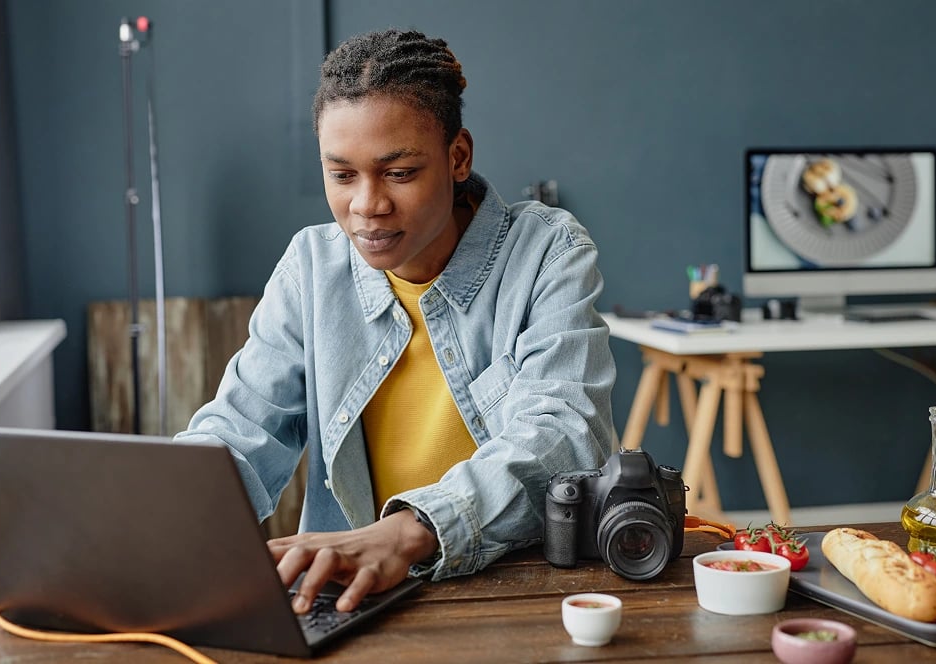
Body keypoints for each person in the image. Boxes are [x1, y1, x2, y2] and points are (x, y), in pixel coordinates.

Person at [174, 28, 616, 614]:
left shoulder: (547, 252)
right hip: (359, 600)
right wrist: (158, 518)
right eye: (342, 175)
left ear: (458, 157)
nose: (366, 205)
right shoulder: (311, 266)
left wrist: (408, 532)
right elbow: (240, 430)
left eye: (400, 172)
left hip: (521, 591)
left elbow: (562, 434)